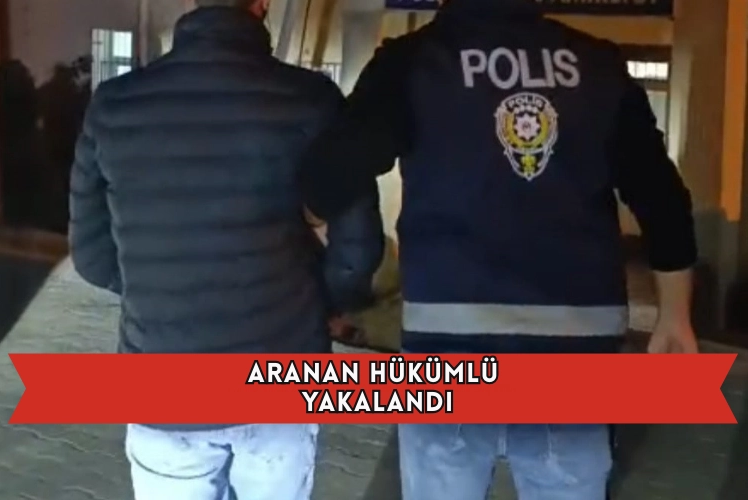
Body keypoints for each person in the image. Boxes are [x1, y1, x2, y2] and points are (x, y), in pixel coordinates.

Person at [299, 0, 698, 499]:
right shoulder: (597, 63)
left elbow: (333, 171)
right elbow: (661, 196)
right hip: (575, 353)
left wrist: (314, 216)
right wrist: (674, 315)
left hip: (448, 349)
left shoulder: (415, 60)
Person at [68, 0, 383, 499]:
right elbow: (358, 244)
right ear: (262, 5)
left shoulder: (114, 104)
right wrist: (320, 302)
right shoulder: (310, 99)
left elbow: (89, 254)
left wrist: (160, 285)